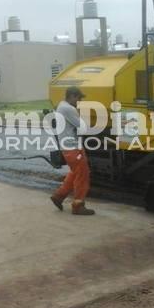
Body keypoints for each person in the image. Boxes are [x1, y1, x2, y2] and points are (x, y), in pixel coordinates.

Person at [50, 86, 95, 215]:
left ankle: (58, 196)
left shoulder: (61, 105)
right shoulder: (69, 109)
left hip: (68, 147)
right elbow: (82, 127)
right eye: (78, 98)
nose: (79, 101)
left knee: (76, 172)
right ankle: (78, 206)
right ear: (72, 96)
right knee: (83, 174)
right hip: (73, 147)